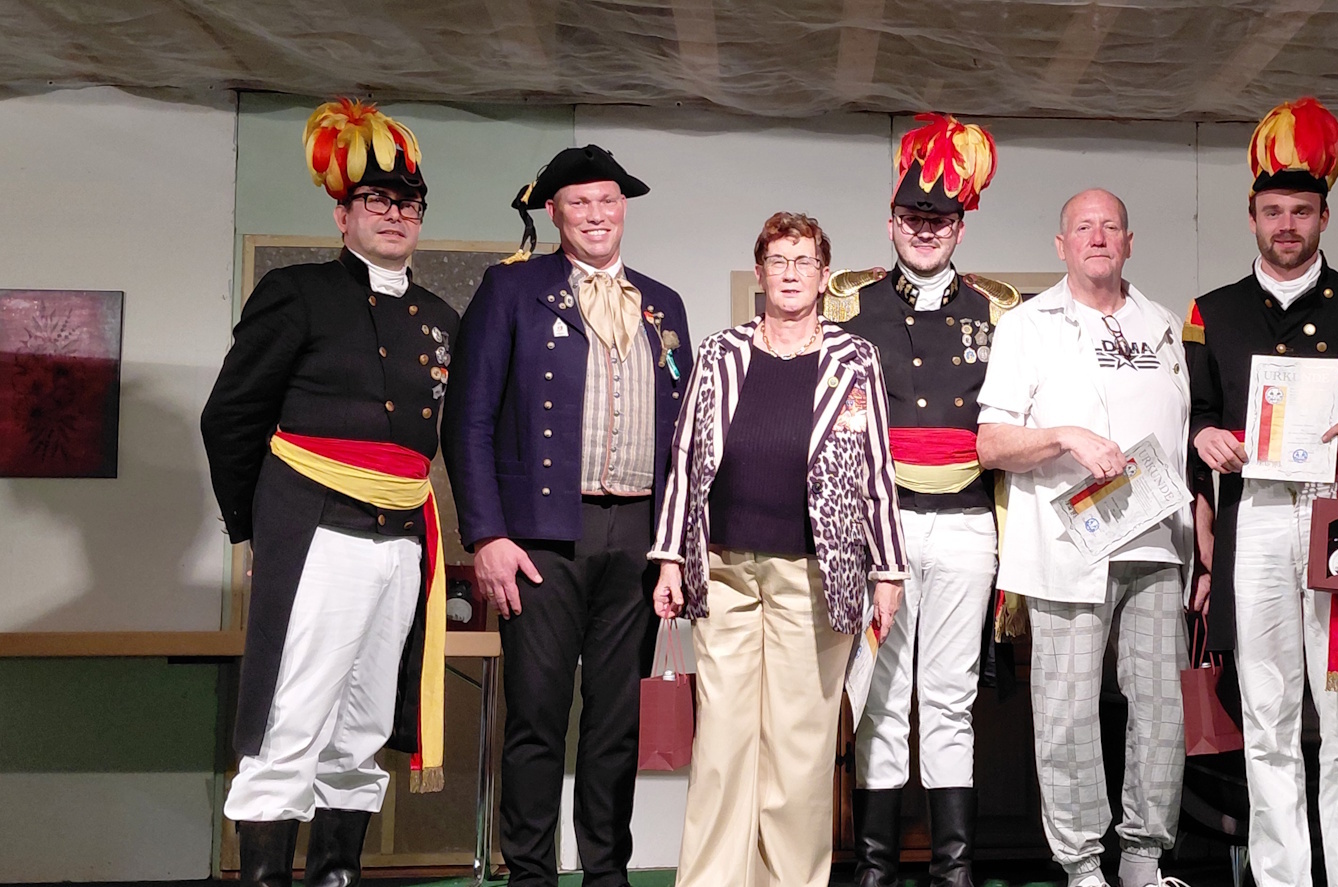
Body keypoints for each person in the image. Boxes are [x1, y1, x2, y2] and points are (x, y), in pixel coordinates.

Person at [202, 98, 455, 887]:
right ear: (342, 214)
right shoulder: (297, 292)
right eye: (376, 200)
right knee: (293, 715)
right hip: (316, 529)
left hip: (402, 540)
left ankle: (336, 873)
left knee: (364, 722)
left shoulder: (439, 317)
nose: (395, 213)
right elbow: (231, 416)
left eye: (408, 203)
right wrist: (257, 530)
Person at [441, 145, 693, 887]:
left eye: (607, 200)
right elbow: (468, 419)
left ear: (624, 209)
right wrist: (487, 534)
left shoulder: (662, 303)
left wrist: (676, 544)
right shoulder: (512, 289)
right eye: (579, 202)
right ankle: (530, 875)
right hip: (540, 537)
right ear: (553, 212)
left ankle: (607, 874)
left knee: (616, 724)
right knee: (537, 717)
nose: (596, 214)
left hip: (638, 535)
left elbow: (685, 434)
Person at [1183, 97, 1338, 887]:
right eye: (1273, 211)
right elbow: (1195, 415)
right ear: (1251, 216)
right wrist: (1202, 438)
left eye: (1301, 211)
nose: (1286, 225)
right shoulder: (1211, 312)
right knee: (1267, 716)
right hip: (1252, 517)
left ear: (1323, 217)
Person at [650, 212, 909, 887]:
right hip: (724, 570)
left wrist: (887, 570)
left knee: (799, 745)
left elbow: (875, 469)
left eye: (803, 261)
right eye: (777, 260)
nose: (790, 273)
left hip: (816, 574)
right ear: (760, 272)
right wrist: (671, 556)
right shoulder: (719, 352)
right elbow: (685, 457)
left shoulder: (855, 358)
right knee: (721, 743)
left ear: (824, 276)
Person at [976, 189, 1191, 887]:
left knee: (1160, 707)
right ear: (1061, 245)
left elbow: (1182, 442)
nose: (1097, 237)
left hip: (1155, 542)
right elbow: (990, 443)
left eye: (1110, 226)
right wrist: (1065, 435)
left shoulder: (1163, 324)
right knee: (1066, 712)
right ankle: (1081, 864)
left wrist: (1203, 543)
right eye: (1082, 227)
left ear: (1128, 241)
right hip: (1066, 547)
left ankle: (1143, 860)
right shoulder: (1026, 325)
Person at [829, 114, 1017, 887]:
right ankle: (874, 866)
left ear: (960, 226)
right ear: (891, 221)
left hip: (967, 525)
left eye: (940, 218)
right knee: (878, 697)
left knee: (948, 699)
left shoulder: (997, 311)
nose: (926, 228)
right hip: (883, 530)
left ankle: (953, 869)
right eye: (913, 216)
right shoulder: (851, 304)